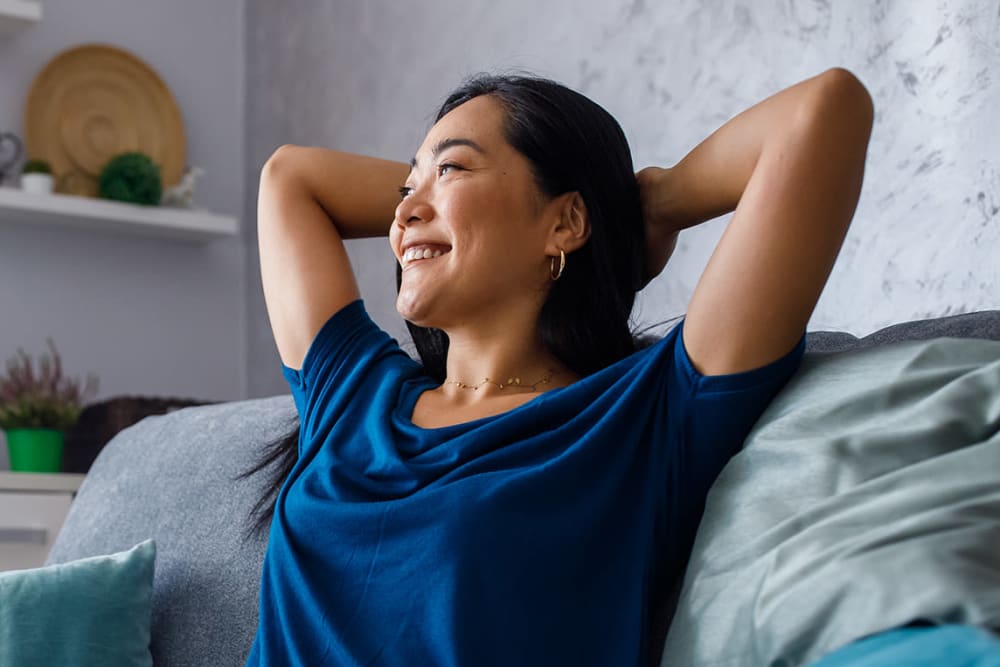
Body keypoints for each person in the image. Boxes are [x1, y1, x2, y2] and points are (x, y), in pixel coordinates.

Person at [242, 67, 874, 666]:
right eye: (406, 190)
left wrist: (645, 204)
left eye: (452, 168)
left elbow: (823, 110)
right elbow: (288, 176)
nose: (402, 213)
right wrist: (442, 196)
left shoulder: (640, 415)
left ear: (567, 221)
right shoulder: (353, 395)